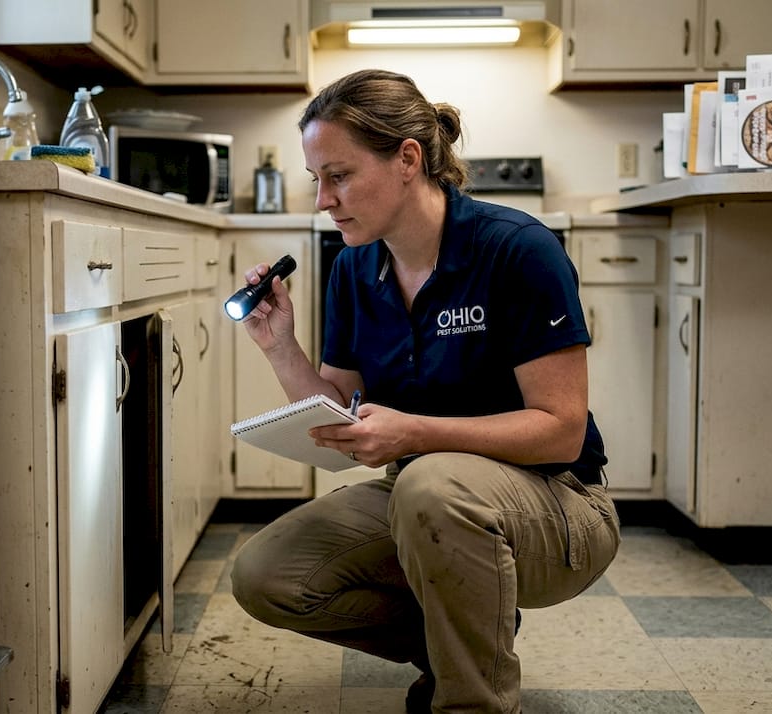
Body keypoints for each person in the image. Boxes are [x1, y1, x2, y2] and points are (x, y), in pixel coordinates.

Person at [228, 68, 621, 713]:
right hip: (427, 501)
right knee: (267, 575)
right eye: (316, 180)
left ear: (408, 159)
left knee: (430, 482)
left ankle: (472, 701)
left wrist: (415, 433)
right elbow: (343, 412)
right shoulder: (356, 266)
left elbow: (561, 428)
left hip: (560, 504)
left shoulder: (517, 250)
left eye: (340, 175)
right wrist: (280, 347)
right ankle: (468, 632)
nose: (323, 200)